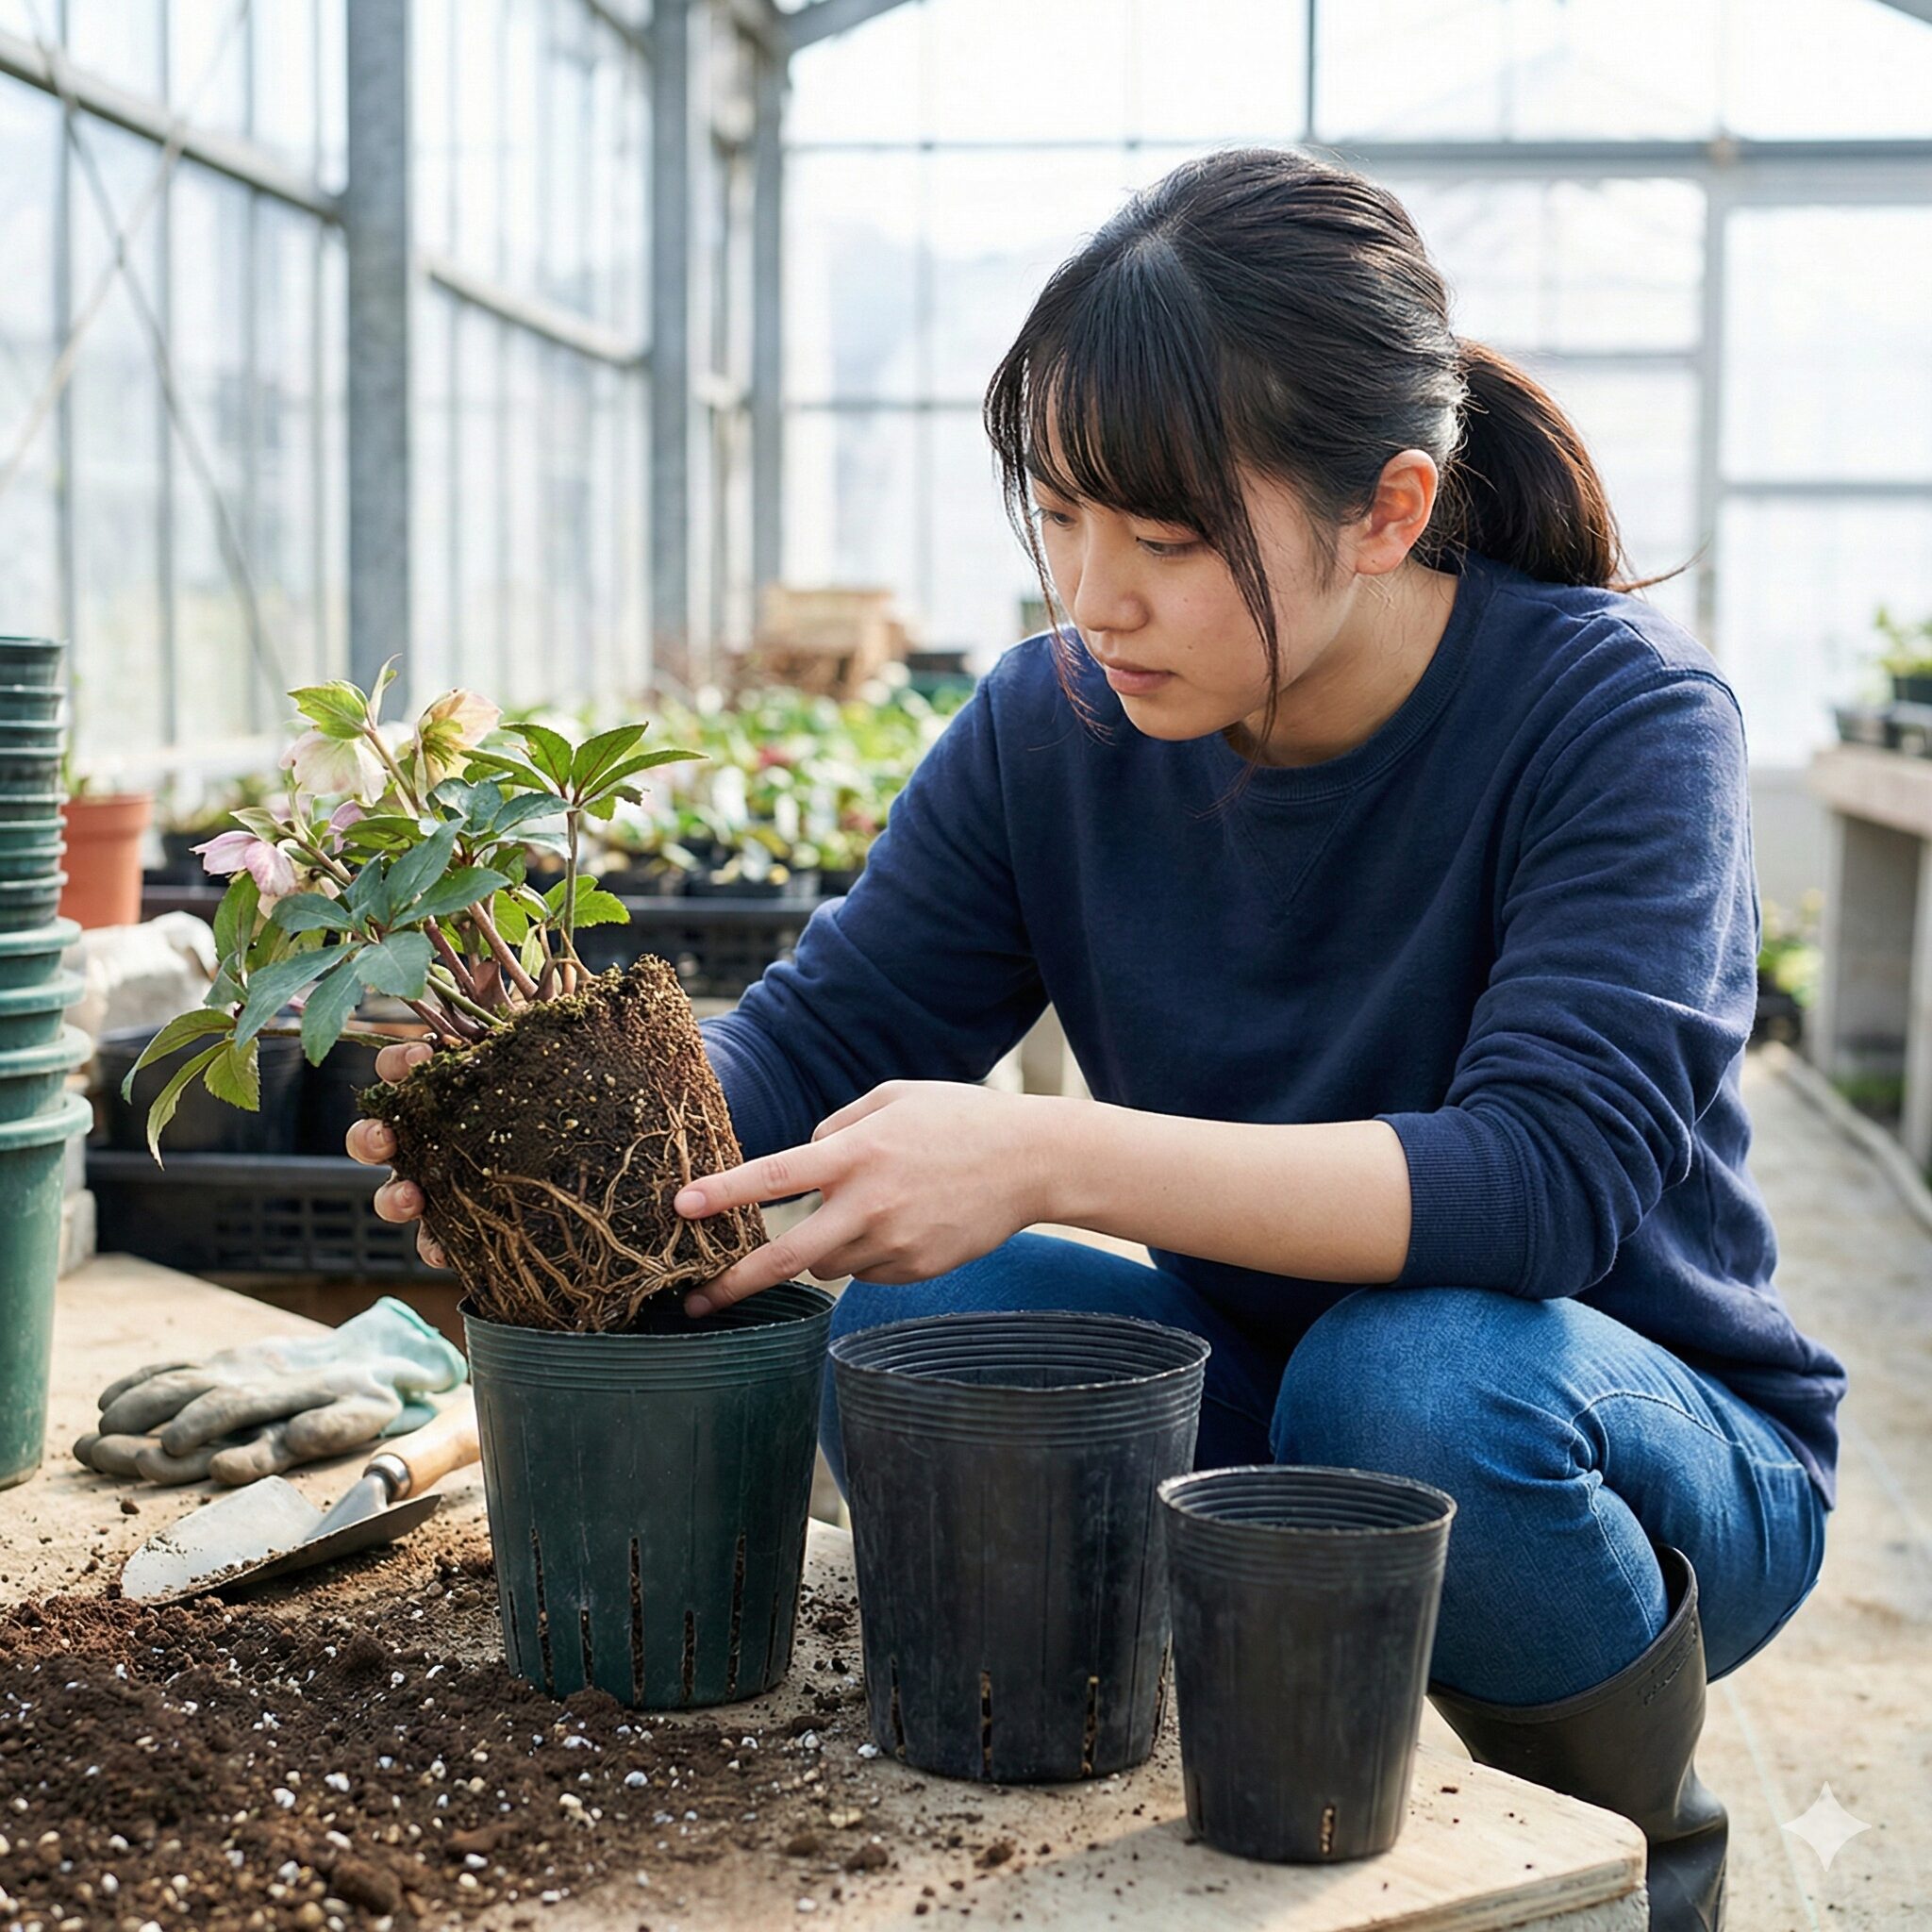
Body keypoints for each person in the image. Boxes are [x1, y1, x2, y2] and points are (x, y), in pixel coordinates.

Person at [353, 146, 1844, 1930]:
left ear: (1387, 508)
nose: (1094, 593)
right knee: (903, 1323)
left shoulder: (1616, 715)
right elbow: (828, 1034)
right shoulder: (1052, 730)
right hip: (1268, 1402)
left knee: (1416, 1384)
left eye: (1167, 539)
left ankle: (1620, 1862)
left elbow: (1547, 1186)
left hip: (1613, 1435)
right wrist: (556, 1169)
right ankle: (1199, 1726)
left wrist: (1044, 1155)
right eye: (1060, 514)